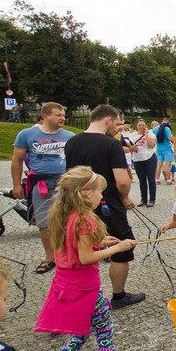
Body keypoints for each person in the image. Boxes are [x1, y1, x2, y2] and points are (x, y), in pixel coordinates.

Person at [35, 166, 138, 351]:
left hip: (68, 284)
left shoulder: (66, 214)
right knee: (104, 333)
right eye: (99, 192)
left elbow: (76, 247)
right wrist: (116, 248)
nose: (102, 196)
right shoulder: (85, 220)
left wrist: (100, 242)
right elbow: (84, 258)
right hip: (85, 288)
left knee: (79, 335)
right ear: (85, 193)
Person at [65, 104, 145, 309]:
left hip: (78, 204)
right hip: (107, 202)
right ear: (107, 120)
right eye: (116, 123)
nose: (117, 128)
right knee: (121, 249)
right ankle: (119, 295)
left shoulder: (72, 142)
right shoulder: (111, 145)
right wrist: (124, 197)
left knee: (80, 249)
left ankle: (79, 296)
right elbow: (123, 181)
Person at [11, 102, 75, 274]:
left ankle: (71, 254)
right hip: (41, 184)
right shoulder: (27, 134)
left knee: (69, 219)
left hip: (64, 182)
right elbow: (17, 160)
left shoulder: (69, 136)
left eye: (63, 115)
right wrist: (17, 184)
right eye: (58, 115)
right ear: (46, 115)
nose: (63, 118)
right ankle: (50, 257)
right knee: (44, 222)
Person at [129, 119, 158, 207]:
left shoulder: (151, 134)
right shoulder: (132, 135)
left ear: (146, 126)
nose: (141, 127)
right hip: (138, 159)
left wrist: (146, 135)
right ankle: (143, 199)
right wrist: (134, 148)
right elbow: (129, 147)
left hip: (150, 158)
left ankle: (152, 199)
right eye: (139, 125)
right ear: (137, 126)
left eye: (143, 125)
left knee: (151, 180)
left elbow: (151, 145)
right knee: (142, 180)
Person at [153, 117, 174, 185]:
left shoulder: (156, 128)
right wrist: (172, 139)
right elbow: (170, 138)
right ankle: (168, 180)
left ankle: (157, 179)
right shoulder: (167, 128)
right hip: (167, 149)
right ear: (168, 122)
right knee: (167, 165)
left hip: (159, 149)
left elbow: (153, 137)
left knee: (159, 165)